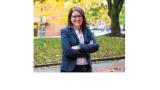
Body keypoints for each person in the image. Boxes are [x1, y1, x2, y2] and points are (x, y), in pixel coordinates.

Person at [60, 6, 99, 72]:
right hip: (71, 69)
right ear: (70, 18)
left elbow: (96, 46)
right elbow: (68, 52)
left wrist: (80, 46)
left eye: (79, 16)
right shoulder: (65, 31)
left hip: (86, 67)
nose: (77, 19)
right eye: (74, 16)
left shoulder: (87, 30)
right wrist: (88, 49)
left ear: (83, 17)